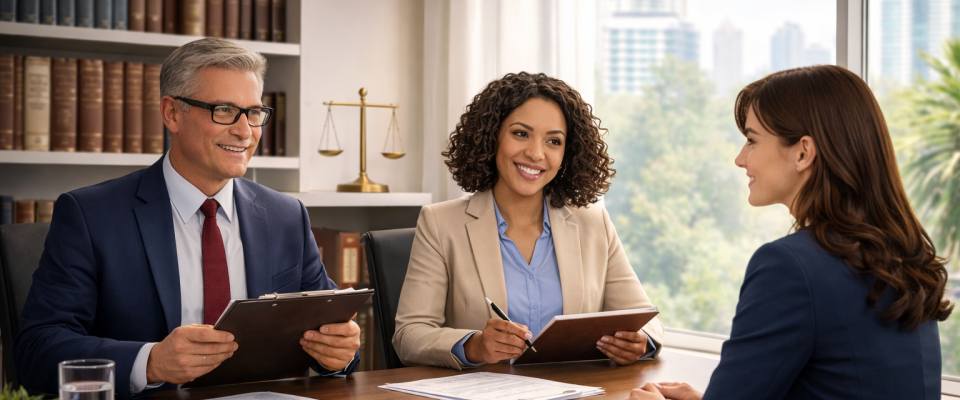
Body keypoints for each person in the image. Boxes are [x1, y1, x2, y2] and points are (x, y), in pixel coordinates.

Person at [15, 38, 361, 399]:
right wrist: (150, 361)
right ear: (172, 114)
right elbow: (37, 351)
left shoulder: (286, 215)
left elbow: (332, 331)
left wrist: (338, 354)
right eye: (224, 110)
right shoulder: (90, 215)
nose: (245, 131)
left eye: (254, 112)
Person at [630, 65, 952, 400]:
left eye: (752, 140)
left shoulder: (790, 266)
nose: (740, 159)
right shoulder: (901, 253)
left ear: (803, 152)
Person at [393, 72, 664, 369]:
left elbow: (647, 319)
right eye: (521, 134)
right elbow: (409, 335)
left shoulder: (594, 223)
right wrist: (475, 345)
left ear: (567, 153)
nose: (536, 153)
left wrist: (640, 342)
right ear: (492, 135)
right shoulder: (440, 224)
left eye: (553, 141)